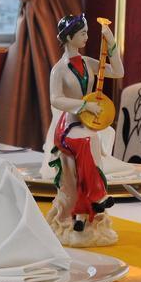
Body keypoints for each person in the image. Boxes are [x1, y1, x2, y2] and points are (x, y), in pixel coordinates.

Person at [41, 14, 124, 245]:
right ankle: (97, 195)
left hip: (87, 125)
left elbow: (118, 72)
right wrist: (84, 105)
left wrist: (111, 41)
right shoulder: (59, 70)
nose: (87, 37)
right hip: (68, 126)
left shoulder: (88, 62)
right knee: (87, 142)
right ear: (69, 37)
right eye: (83, 33)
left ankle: (82, 211)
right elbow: (55, 99)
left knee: (89, 141)